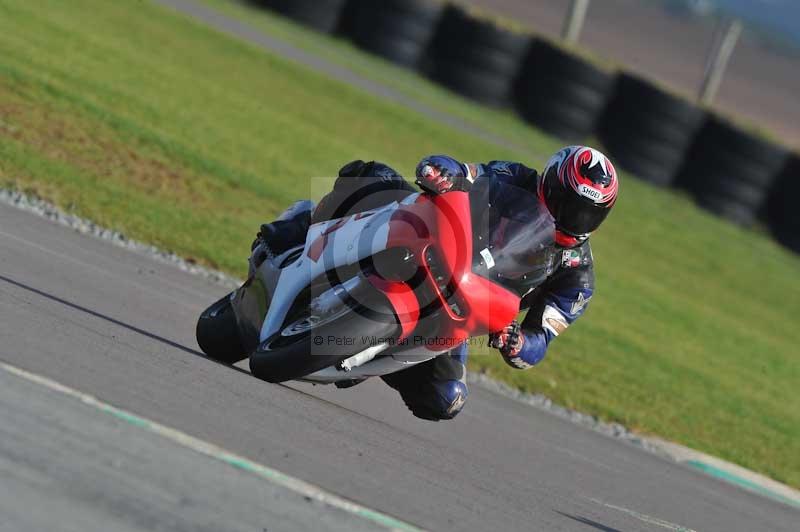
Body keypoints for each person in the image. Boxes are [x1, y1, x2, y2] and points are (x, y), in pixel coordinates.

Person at [254, 146, 619, 421]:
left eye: (587, 213)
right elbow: (467, 173)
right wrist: (443, 171)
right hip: (435, 247)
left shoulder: (577, 277)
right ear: (550, 182)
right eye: (568, 204)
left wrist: (517, 343)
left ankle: (369, 350)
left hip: (462, 308)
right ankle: (295, 230)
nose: (574, 218)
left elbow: (540, 341)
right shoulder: (515, 177)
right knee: (372, 176)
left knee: (445, 400)